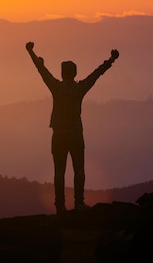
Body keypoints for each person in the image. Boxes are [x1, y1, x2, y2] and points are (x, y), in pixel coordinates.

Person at [25, 42, 119, 214]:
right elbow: (96, 74)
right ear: (75, 73)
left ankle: (60, 205)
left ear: (62, 73)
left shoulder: (56, 87)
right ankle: (79, 203)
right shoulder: (80, 88)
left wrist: (31, 51)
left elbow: (42, 71)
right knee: (79, 170)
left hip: (59, 135)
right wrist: (111, 59)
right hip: (76, 135)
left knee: (59, 171)